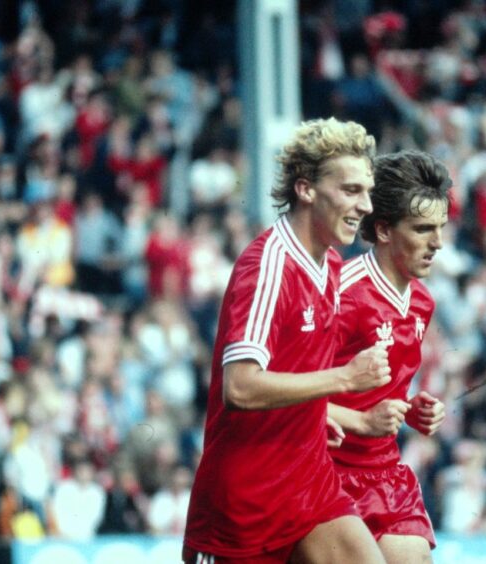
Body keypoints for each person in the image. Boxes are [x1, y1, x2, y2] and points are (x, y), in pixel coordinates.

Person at [182, 118, 391, 564]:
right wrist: (343, 378)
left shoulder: (331, 264)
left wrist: (353, 421)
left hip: (308, 487)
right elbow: (239, 387)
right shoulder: (268, 266)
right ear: (306, 189)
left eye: (367, 191)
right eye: (351, 190)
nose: (365, 205)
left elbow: (294, 379)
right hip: (241, 511)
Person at [328, 150, 451, 564]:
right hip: (327, 472)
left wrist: (412, 411)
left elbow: (384, 392)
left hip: (385, 470)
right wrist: (359, 420)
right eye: (422, 229)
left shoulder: (422, 302)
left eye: (441, 228)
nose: (437, 243)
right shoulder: (340, 294)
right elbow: (288, 395)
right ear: (382, 230)